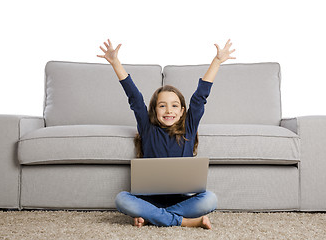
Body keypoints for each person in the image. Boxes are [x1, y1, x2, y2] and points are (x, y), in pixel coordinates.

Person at [97, 39, 235, 229]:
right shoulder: (148, 128)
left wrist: (217, 62)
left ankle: (151, 217)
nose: (169, 110)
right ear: (154, 110)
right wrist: (115, 63)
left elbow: (200, 97)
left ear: (182, 111)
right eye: (162, 106)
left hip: (184, 200)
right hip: (149, 200)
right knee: (121, 199)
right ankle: (183, 221)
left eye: (174, 105)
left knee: (210, 199)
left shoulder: (189, 127)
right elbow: (135, 99)